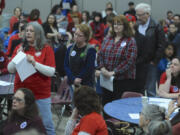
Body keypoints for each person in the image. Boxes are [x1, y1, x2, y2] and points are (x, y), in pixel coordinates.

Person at [7, 22, 56, 135]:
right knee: (20, 125)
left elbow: (51, 71)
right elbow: (10, 69)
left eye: (31, 31)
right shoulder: (20, 48)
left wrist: (35, 63)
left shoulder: (46, 49)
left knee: (47, 126)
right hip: (21, 94)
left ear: (38, 33)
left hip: (40, 94)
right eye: (27, 30)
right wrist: (18, 56)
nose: (28, 33)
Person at [98, 15, 137, 106]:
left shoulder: (130, 41)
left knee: (119, 106)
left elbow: (129, 61)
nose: (116, 26)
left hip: (122, 80)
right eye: (115, 24)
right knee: (106, 105)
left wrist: (113, 72)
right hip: (106, 79)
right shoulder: (108, 39)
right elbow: (100, 54)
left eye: (119, 24)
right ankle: (106, 121)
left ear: (125, 26)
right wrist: (102, 68)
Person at [135, 3, 166, 97]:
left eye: (140, 15)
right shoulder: (136, 26)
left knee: (150, 90)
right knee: (138, 89)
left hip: (151, 63)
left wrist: (154, 61)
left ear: (148, 14)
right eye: (137, 15)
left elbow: (161, 46)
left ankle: (151, 111)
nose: (138, 17)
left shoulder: (156, 26)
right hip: (138, 63)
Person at [64, 24, 96, 90]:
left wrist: (78, 79)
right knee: (73, 100)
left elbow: (89, 68)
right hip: (71, 82)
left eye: (80, 35)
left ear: (86, 37)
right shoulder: (70, 48)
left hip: (85, 84)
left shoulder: (91, 50)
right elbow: (66, 65)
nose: (76, 37)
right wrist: (73, 79)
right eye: (75, 34)